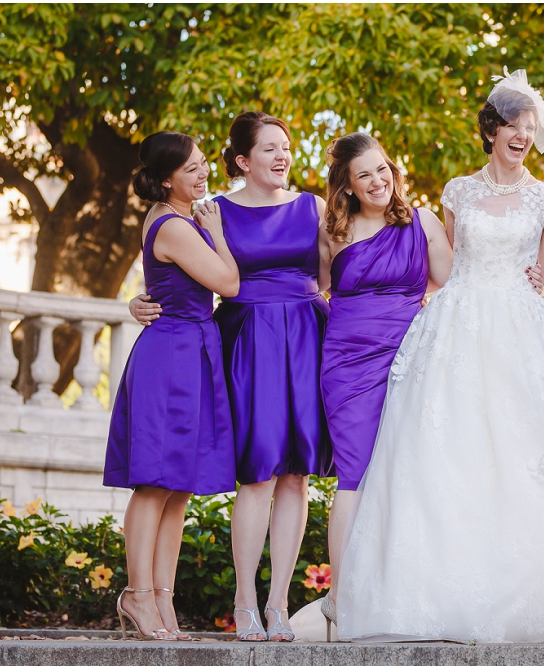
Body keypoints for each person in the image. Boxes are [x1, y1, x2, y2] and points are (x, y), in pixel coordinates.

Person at [334, 69, 544, 644]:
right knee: (447, 454)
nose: (520, 135)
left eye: (528, 127)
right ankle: (437, 589)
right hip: (457, 328)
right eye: (509, 125)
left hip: (523, 330)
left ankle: (528, 589)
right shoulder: (456, 191)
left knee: (522, 455)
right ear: (490, 131)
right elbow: (445, 269)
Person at [129, 112, 333, 642]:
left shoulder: (313, 206)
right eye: (269, 148)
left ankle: (279, 605)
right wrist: (138, 302)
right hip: (245, 340)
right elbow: (167, 268)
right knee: (258, 471)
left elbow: (337, 274)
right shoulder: (207, 210)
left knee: (297, 474)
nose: (283, 156)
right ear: (243, 160)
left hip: (307, 335)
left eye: (286, 147)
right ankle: (244, 604)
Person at [318, 132, 453, 640]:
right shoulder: (336, 230)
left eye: (382, 170)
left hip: (410, 360)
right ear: (348, 187)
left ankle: (400, 590)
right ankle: (340, 596)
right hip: (348, 363)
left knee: (406, 471)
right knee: (354, 474)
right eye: (364, 175)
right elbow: (304, 287)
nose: (377, 182)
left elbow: (459, 286)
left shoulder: (423, 223)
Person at [106, 131, 239, 640]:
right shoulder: (176, 224)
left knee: (178, 486)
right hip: (172, 356)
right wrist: (219, 233)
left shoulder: (181, 216)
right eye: (191, 169)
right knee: (155, 482)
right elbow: (227, 284)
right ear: (167, 180)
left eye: (204, 163)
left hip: (193, 351)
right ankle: (139, 595)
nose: (203, 173)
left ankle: (162, 598)